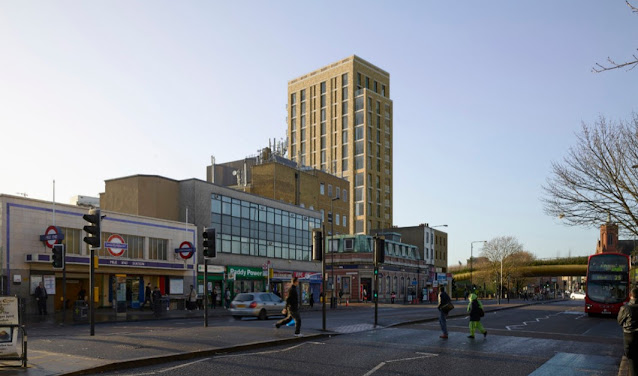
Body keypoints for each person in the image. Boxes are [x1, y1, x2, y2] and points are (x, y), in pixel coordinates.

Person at [618, 287, 638, 375]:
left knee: (631, 358)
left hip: (629, 335)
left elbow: (620, 321)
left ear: (630, 296)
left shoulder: (625, 308)